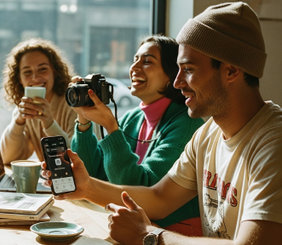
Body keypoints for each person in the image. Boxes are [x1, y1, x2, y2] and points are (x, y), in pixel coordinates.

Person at [43, 2, 282, 244]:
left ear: (231, 71)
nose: (177, 83)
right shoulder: (208, 134)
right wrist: (85, 187)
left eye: (188, 69)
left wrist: (148, 235)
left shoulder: (274, 144)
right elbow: (159, 197)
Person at [70, 35, 204, 234]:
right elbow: (90, 173)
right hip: (132, 228)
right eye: (135, 60)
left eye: (147, 61)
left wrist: (110, 126)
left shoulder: (185, 124)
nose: (134, 67)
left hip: (172, 233)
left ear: (171, 75)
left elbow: (138, 192)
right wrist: (83, 121)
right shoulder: (133, 118)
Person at [0, 38, 77, 163]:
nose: (35, 78)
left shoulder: (74, 104)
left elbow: (77, 159)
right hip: (51, 180)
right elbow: (5, 158)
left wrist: (49, 123)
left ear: (55, 71)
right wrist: (18, 122)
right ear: (19, 79)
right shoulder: (25, 110)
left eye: (43, 69)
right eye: (27, 72)